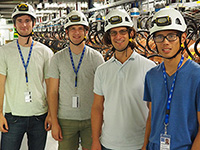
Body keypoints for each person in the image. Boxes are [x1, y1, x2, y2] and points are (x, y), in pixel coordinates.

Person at [91, 9, 156, 150]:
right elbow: (97, 108)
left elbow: (153, 111)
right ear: (109, 36)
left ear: (131, 34)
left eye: (122, 32)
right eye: (113, 33)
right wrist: (95, 140)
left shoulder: (149, 67)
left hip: (138, 144)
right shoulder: (102, 70)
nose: (118, 37)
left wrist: (147, 143)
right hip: (108, 143)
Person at [142, 8, 200, 150]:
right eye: (159, 37)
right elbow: (151, 116)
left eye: (172, 36)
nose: (165, 42)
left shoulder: (196, 75)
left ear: (183, 37)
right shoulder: (151, 75)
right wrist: (144, 146)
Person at [47, 10, 104, 150]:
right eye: (73, 29)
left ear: (86, 32)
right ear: (67, 32)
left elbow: (103, 92)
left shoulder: (96, 58)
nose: (76, 33)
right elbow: (52, 92)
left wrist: (103, 121)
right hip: (66, 119)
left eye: (80, 29)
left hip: (91, 119)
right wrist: (54, 122)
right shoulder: (57, 58)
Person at [0, 3, 53, 150]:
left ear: (34, 23)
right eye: (20, 21)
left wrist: (51, 114)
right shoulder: (4, 51)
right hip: (13, 116)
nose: (24, 25)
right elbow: (0, 85)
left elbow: (51, 87)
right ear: (15, 24)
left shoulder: (46, 52)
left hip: (39, 116)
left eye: (28, 20)